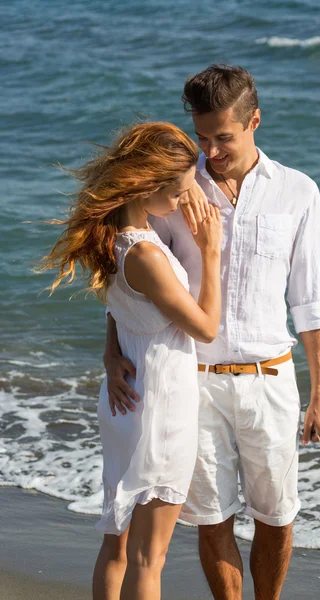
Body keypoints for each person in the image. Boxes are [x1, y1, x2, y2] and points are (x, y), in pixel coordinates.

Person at [105, 65, 320, 600]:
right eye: (202, 137)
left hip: (270, 379)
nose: (210, 150)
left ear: (255, 120)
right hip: (193, 381)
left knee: (277, 517)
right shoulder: (174, 190)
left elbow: (308, 299)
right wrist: (111, 350)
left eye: (223, 137)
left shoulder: (298, 192)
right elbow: (137, 278)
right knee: (212, 519)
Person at [38, 121, 222, 600]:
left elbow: (119, 307)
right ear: (148, 188)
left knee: (117, 545)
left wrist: (109, 351)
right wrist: (211, 252)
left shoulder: (116, 242)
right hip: (158, 406)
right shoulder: (145, 255)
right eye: (180, 193)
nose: (184, 203)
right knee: (147, 559)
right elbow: (204, 327)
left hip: (129, 397)